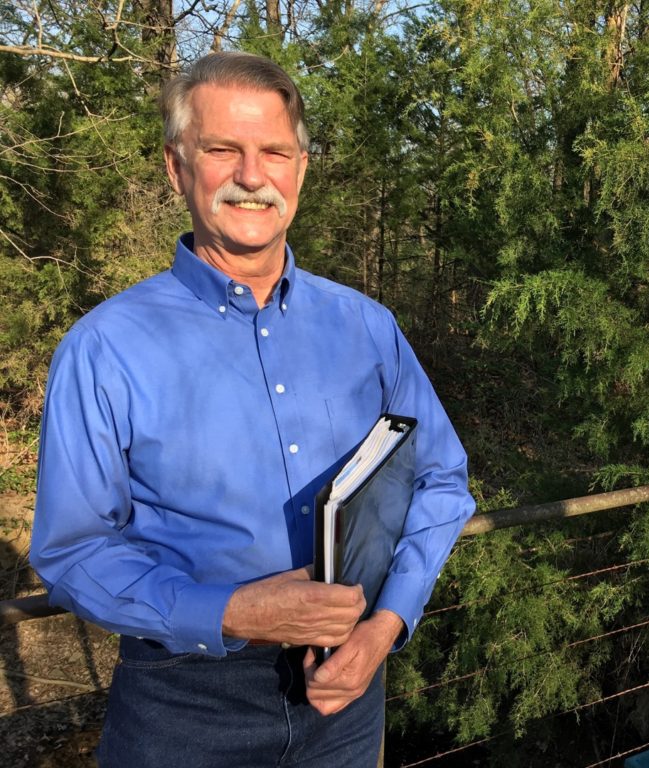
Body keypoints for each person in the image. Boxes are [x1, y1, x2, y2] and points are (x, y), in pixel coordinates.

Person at [29, 51, 475, 767]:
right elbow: (72, 551)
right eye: (221, 150)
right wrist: (230, 612)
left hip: (349, 688)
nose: (251, 176)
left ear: (301, 168)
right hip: (183, 703)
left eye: (275, 151)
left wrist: (385, 625)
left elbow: (441, 480)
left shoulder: (366, 328)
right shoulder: (104, 349)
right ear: (177, 167)